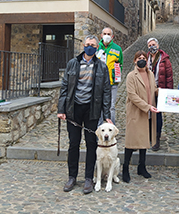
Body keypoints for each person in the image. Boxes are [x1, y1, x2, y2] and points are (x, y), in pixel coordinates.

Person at [57, 35, 112, 194]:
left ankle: (88, 178)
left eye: (93, 45)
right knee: (74, 143)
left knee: (91, 143)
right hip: (73, 109)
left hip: (92, 110)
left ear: (97, 47)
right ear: (83, 45)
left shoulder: (102, 67)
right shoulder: (72, 64)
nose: (90, 47)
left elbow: (106, 92)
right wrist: (61, 110)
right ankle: (72, 177)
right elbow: (65, 88)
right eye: (87, 44)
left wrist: (106, 114)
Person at [123, 51, 158, 183]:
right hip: (136, 111)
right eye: (139, 58)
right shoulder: (131, 76)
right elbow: (132, 95)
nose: (142, 60)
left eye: (144, 58)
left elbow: (154, 90)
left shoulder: (150, 74)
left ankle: (141, 167)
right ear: (134, 61)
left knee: (144, 140)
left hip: (148, 111)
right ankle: (125, 167)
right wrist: (147, 106)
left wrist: (169, 95)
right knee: (131, 142)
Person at [146, 37, 173, 151]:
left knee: (157, 115)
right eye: (150, 45)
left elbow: (169, 76)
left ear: (158, 45)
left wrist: (169, 92)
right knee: (147, 113)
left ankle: (156, 138)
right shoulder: (146, 58)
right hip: (147, 90)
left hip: (160, 90)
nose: (152, 46)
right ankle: (149, 135)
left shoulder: (164, 59)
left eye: (154, 44)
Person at [96, 27, 123, 125]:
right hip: (98, 83)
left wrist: (116, 74)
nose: (106, 36)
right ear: (101, 35)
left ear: (112, 36)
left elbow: (120, 64)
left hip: (112, 83)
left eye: (109, 34)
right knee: (99, 106)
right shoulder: (96, 47)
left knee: (111, 106)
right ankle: (99, 129)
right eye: (105, 33)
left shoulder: (117, 49)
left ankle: (112, 130)